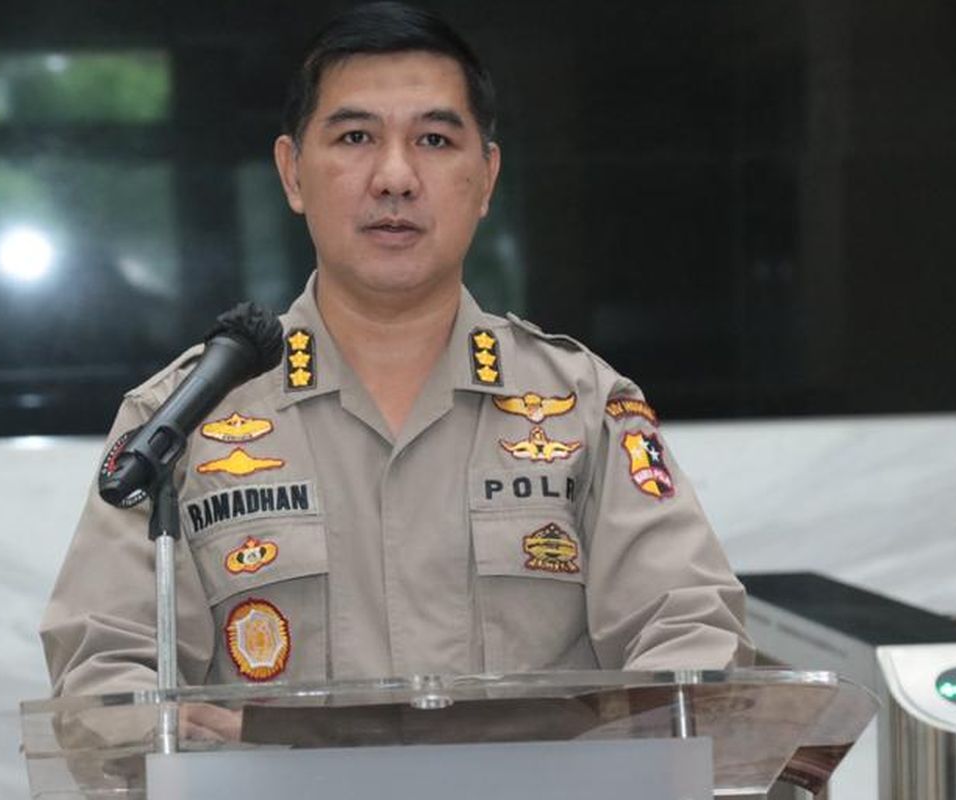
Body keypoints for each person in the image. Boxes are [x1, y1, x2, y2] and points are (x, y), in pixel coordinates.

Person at [40, 1, 753, 739]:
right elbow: (105, 668)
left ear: (486, 179)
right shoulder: (183, 418)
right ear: (292, 173)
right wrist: (194, 745)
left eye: (436, 139)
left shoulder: (582, 407)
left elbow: (691, 636)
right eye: (355, 137)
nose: (395, 177)